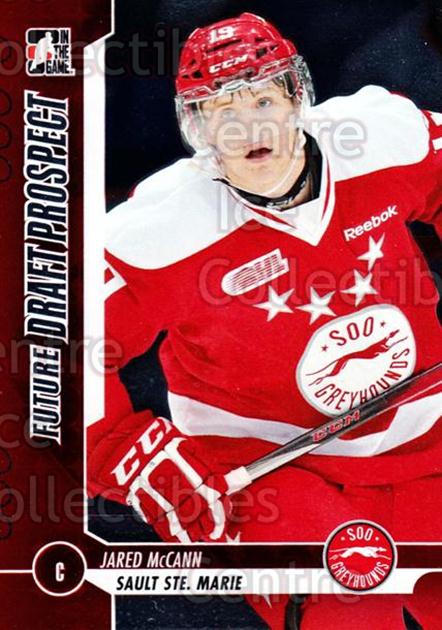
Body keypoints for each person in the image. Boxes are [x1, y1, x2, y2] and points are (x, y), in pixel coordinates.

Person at [88, 13, 442, 628]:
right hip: (271, 472)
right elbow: (50, 352)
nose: (248, 127)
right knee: (350, 613)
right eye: (221, 112)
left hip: (425, 438)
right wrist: (129, 456)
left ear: (297, 97)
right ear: (196, 129)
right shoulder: (161, 231)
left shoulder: (381, 136)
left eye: (262, 100)